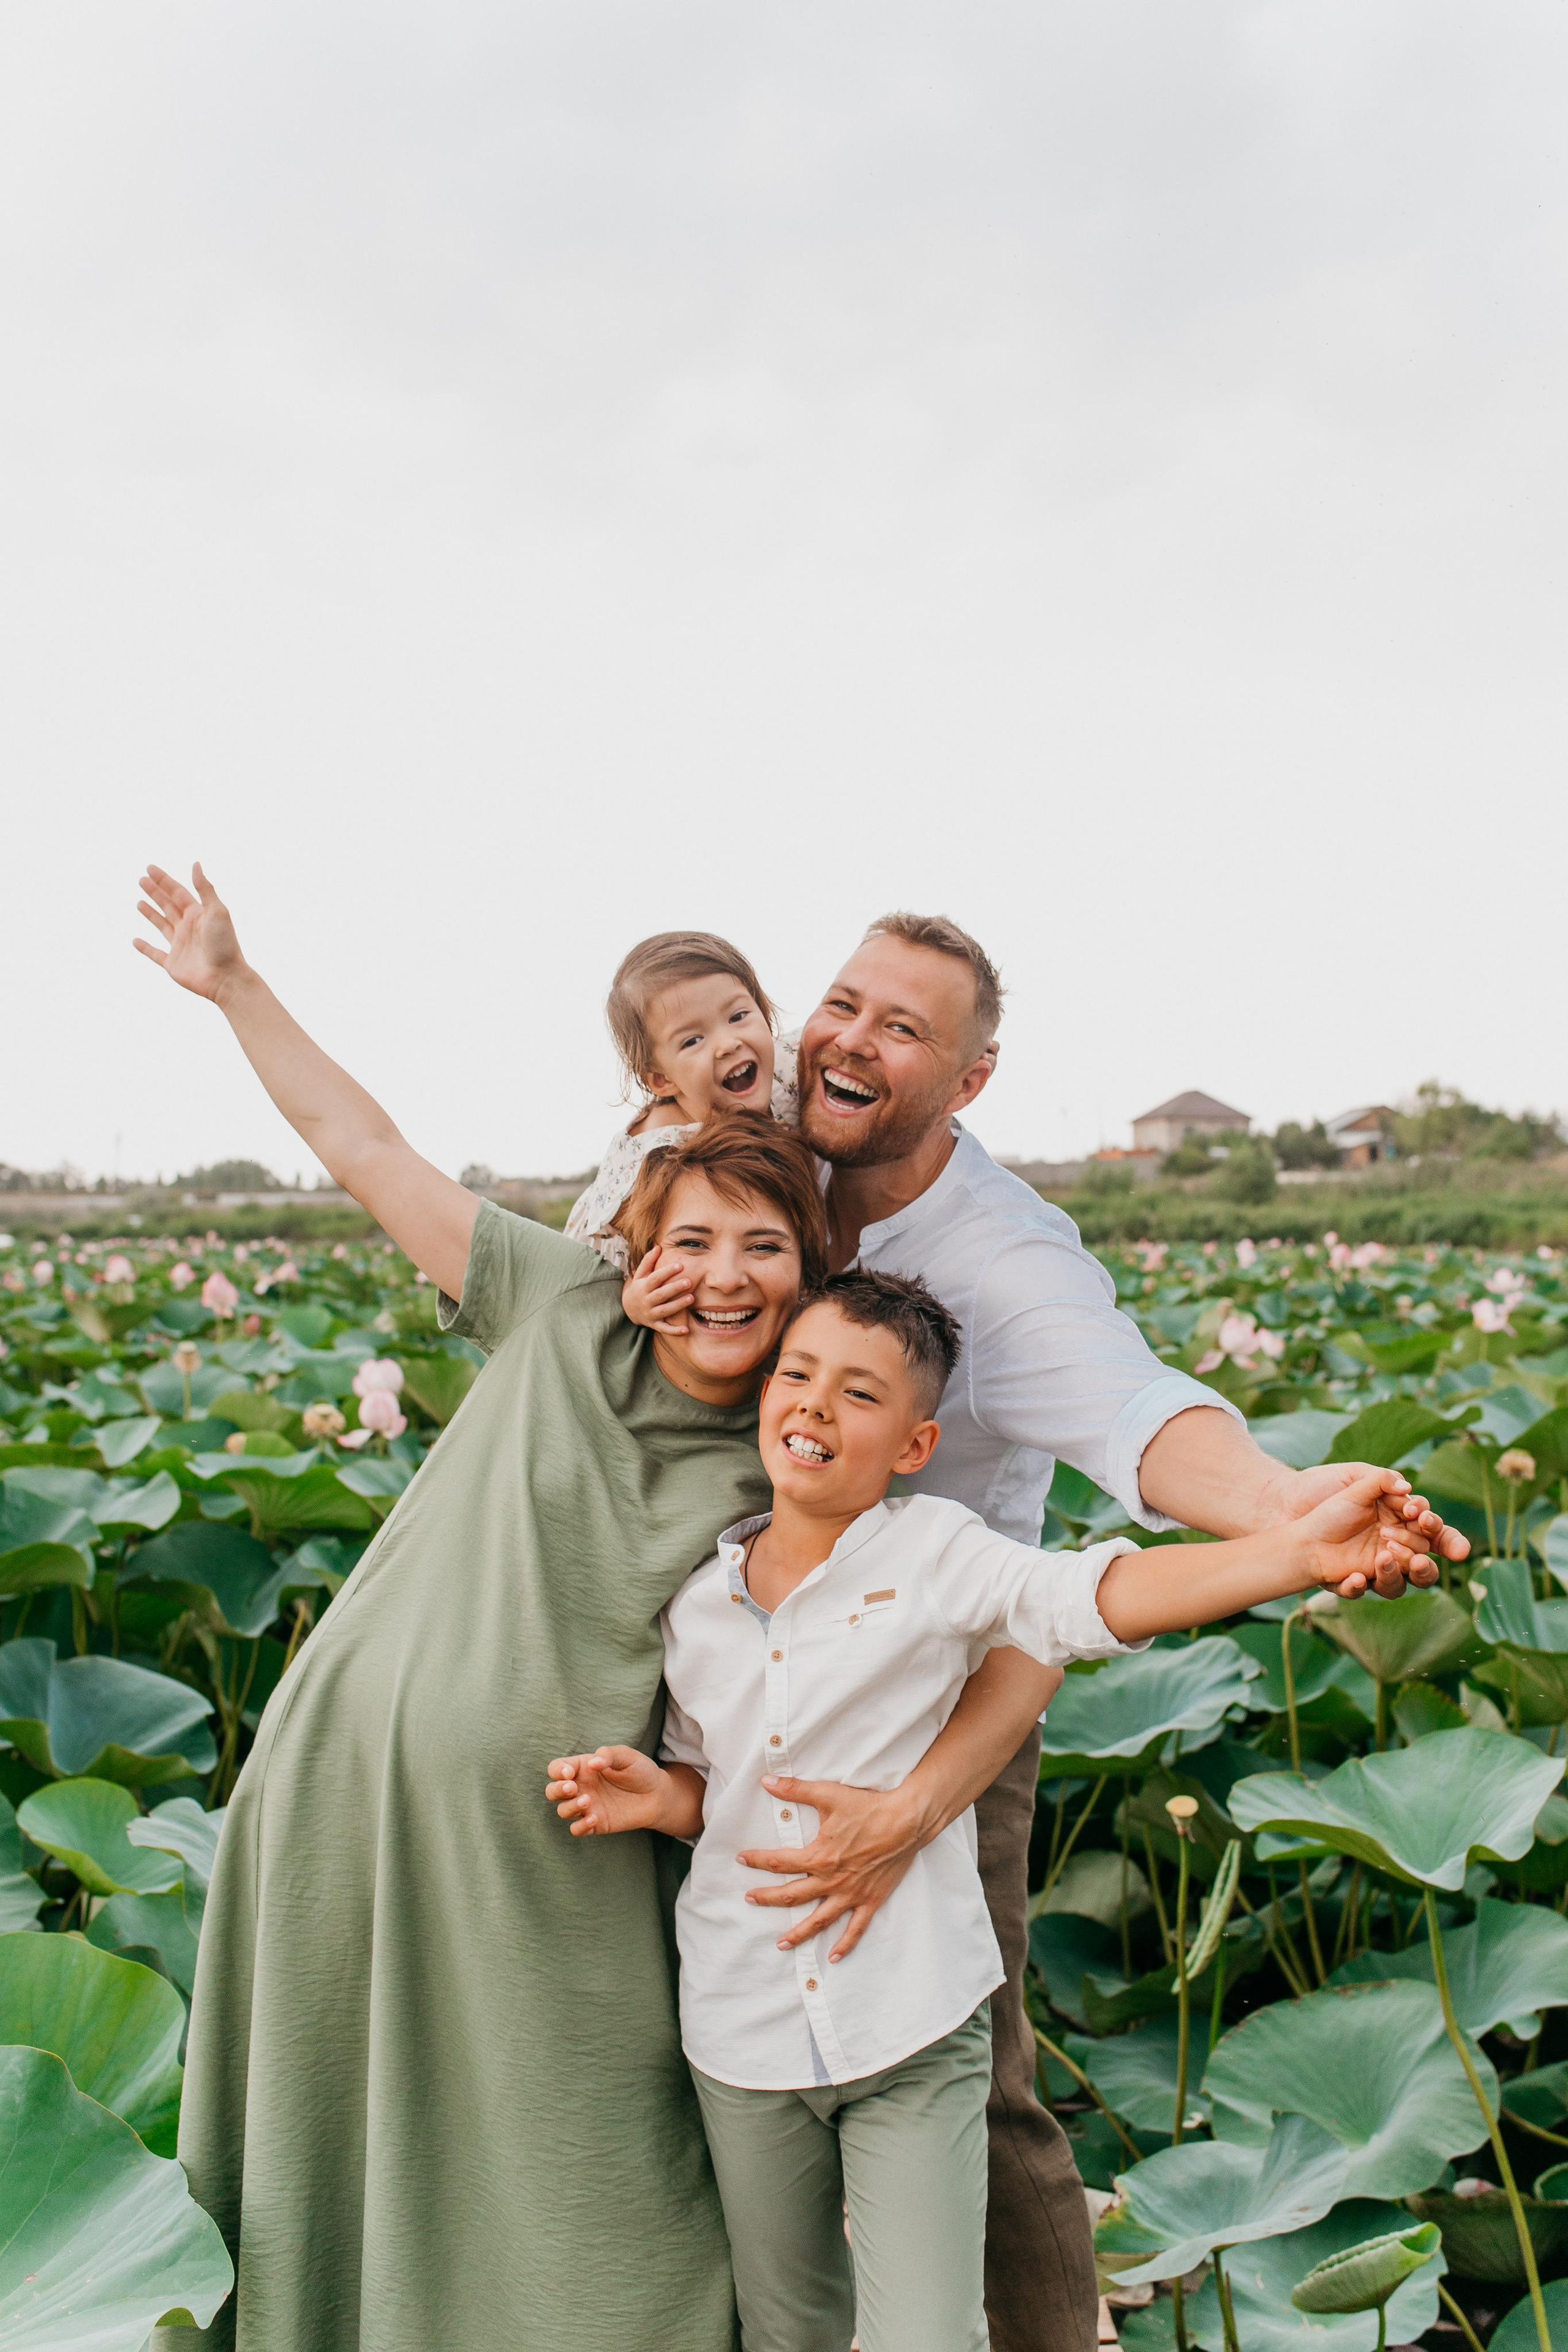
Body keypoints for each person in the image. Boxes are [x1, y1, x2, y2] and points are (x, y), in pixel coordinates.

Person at [131, 865, 1057, 2352]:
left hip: (568, 1826)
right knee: (372, 2141)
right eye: (684, 1241)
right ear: (635, 1245)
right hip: (349, 1783)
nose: (717, 1278)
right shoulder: (557, 1297)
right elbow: (357, 1142)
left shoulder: (792, 1442)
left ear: (813, 1276)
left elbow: (929, 1625)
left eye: (762, 1249)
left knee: (618, 2167)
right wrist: (235, 981)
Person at [724, 911, 1471, 2352]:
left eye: (902, 1029)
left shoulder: (1000, 1254)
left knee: (966, 2076)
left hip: (930, 1702)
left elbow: (1128, 1410)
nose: (849, 1041)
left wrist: (1275, 1504)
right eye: (841, 1003)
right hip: (726, 1662)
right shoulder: (761, 1154)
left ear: (971, 1076)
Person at [543, 1272, 1446, 2352]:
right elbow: (713, 1783)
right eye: (798, 1374)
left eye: (861, 1395)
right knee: (792, 2333)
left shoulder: (934, 1553)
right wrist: (661, 1798)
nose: (816, 1407)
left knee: (929, 2338)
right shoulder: (696, 1601)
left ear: (915, 1446)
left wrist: (1290, 1554)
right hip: (741, 2029)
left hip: (913, 2017)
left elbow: (1087, 1601)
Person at [565, 930, 798, 1275]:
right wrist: (634, 1301)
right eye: (693, 1041)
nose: (728, 1043)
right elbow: (617, 1270)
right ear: (662, 1079)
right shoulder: (661, 1157)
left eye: (738, 1017)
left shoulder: (781, 1069)